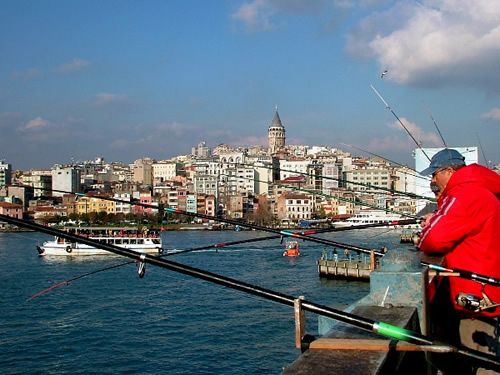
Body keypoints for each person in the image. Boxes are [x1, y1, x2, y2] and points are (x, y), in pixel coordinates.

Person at [417, 148, 500, 373]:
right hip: (486, 286)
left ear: (449, 171)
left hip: (476, 295)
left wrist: (429, 226)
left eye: (435, 174)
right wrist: (438, 216)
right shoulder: (478, 189)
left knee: (479, 358)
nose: (432, 179)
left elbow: (433, 239)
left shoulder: (465, 194)